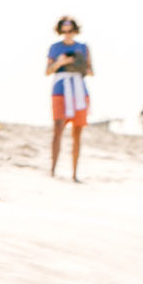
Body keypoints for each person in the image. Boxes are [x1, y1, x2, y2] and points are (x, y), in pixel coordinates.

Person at [45, 16, 93, 181]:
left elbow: (91, 71)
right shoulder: (54, 47)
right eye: (64, 28)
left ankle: (74, 174)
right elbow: (48, 71)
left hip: (79, 89)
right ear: (60, 29)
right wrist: (60, 63)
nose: (67, 32)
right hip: (60, 89)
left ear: (75, 29)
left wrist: (77, 63)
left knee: (77, 132)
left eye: (70, 28)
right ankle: (52, 170)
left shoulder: (83, 47)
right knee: (58, 128)